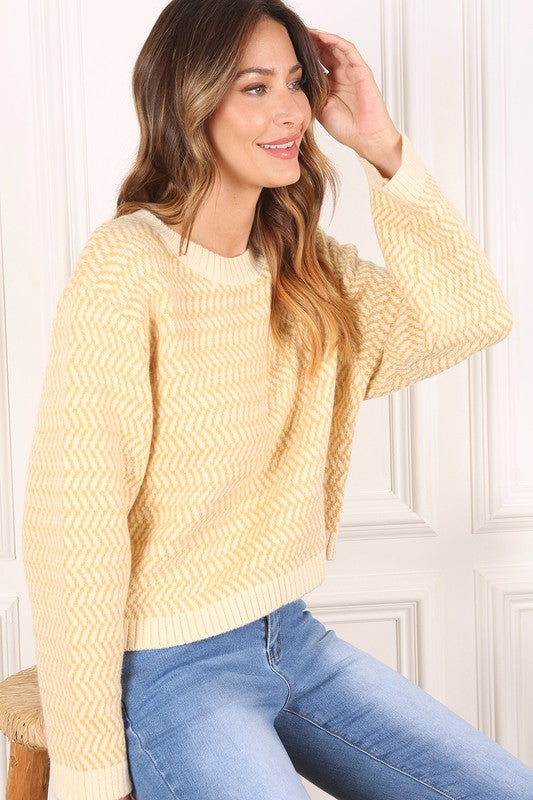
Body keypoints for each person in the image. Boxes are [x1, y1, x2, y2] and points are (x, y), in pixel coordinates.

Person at [20, 0, 533, 799]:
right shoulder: (127, 270)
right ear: (187, 100)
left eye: (296, 82)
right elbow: (72, 528)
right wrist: (90, 773)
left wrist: (380, 146)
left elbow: (470, 316)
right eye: (254, 87)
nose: (290, 110)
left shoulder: (303, 266)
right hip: (166, 668)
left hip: (287, 635)